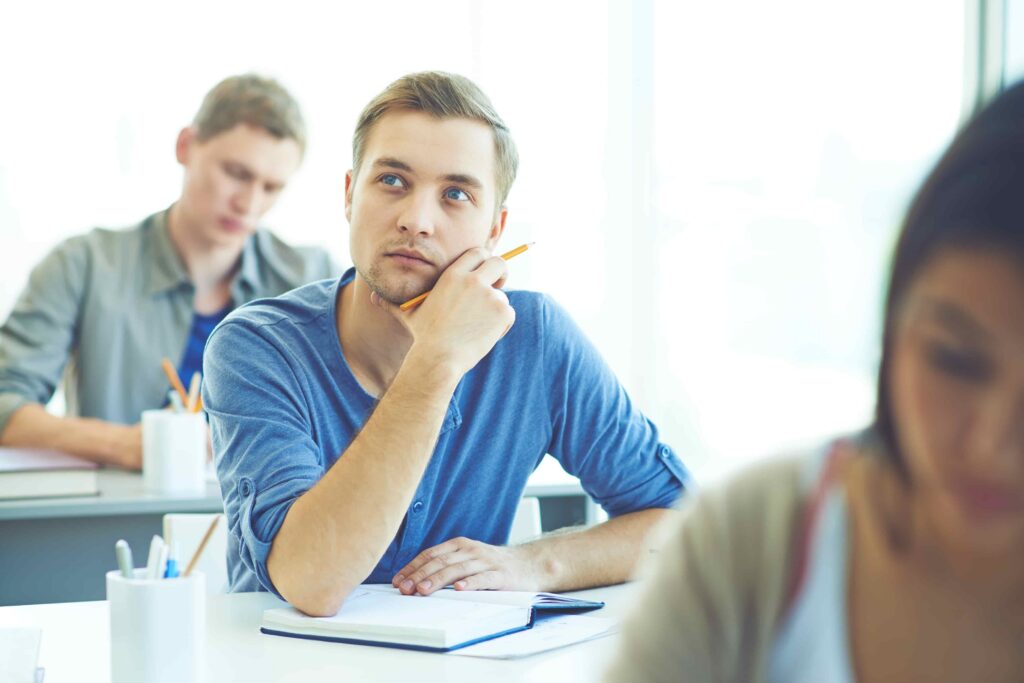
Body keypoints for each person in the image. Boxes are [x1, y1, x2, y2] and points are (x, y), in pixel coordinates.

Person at [202, 71, 690, 616]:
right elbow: (311, 581)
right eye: (392, 181)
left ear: (495, 230)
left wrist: (535, 563)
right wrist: (435, 359)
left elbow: (684, 523)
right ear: (349, 195)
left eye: (456, 194)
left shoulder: (534, 340)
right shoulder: (255, 347)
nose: (416, 221)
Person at [605, 83, 1024, 682]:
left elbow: (655, 501)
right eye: (954, 361)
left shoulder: (541, 335)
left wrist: (540, 564)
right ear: (894, 327)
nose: (990, 445)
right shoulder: (756, 543)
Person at [0, 74, 340, 470]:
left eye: (271, 188)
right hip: (118, 505)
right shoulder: (83, 264)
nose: (249, 203)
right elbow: (6, 400)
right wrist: (121, 445)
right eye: (236, 173)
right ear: (185, 146)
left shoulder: (314, 278)